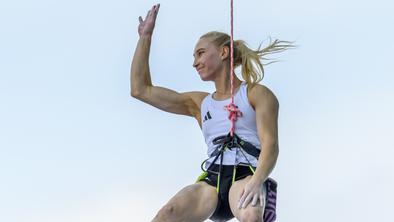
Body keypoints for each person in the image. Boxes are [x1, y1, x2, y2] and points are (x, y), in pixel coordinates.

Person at [131, 4, 293, 222]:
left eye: (201, 53)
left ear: (224, 52)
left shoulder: (256, 94)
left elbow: (271, 145)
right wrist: (145, 38)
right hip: (212, 181)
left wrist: (257, 181)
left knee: (251, 215)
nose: (194, 63)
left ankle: (261, 203)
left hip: (247, 176)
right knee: (167, 215)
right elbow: (141, 90)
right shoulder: (199, 103)